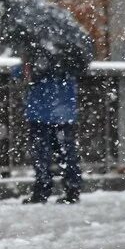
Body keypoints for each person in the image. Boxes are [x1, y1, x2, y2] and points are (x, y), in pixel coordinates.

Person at [15, 62, 83, 204]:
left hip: (40, 112)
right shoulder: (70, 55)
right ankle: (72, 189)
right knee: (66, 153)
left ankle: (42, 189)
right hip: (64, 112)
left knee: (41, 155)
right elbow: (81, 68)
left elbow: (19, 73)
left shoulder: (37, 54)